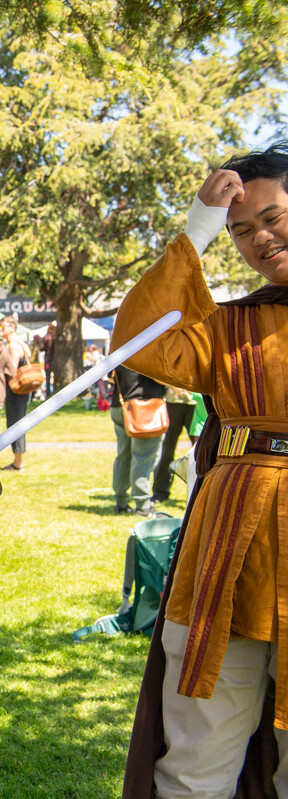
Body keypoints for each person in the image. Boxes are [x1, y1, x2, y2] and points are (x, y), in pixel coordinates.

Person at [117, 143, 288, 799]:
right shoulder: (229, 327)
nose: (259, 239)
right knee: (194, 770)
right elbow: (141, 340)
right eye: (242, 230)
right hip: (224, 569)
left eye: (271, 217)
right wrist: (198, 230)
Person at [109, 364, 166, 516]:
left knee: (123, 456)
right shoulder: (149, 344)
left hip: (119, 403)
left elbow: (110, 376)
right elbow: (162, 377)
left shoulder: (119, 343)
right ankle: (142, 505)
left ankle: (120, 503)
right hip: (144, 406)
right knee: (144, 458)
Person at [150, 385, 197, 503]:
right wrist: (171, 386)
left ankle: (199, 491)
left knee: (199, 452)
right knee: (167, 450)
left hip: (196, 404)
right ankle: (160, 492)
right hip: (173, 402)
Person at [0, 316, 31, 470]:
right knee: (19, 422)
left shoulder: (13, 346)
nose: (0, 329)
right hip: (24, 390)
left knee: (15, 423)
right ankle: (18, 460)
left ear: (12, 327)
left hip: (16, 390)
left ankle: (18, 463)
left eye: (3, 326)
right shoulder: (22, 343)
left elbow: (11, 370)